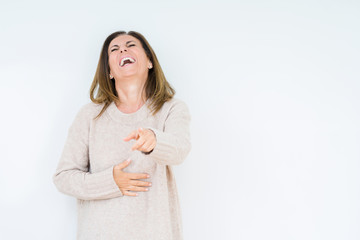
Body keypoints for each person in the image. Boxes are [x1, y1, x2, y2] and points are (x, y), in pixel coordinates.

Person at [53, 30, 191, 240]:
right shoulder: (90, 115)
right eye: (114, 49)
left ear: (149, 62)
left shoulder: (171, 109)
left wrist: (154, 141)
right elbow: (63, 178)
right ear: (109, 71)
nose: (123, 50)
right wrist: (111, 182)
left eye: (130, 45)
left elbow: (179, 150)